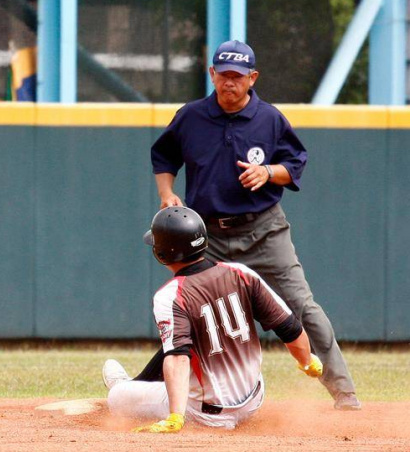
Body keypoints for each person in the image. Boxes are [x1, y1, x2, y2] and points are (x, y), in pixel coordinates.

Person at [149, 40, 359, 410]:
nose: (229, 82)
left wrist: (268, 172)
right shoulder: (191, 117)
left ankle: (345, 394)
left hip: (263, 231)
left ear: (252, 77)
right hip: (208, 237)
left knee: (302, 306)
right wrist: (167, 193)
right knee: (186, 311)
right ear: (212, 74)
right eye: (223, 74)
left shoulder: (269, 119)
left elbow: (295, 163)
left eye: (237, 75)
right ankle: (146, 391)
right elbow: (163, 155)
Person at [103, 206, 323, 432]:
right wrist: (307, 361)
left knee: (118, 396)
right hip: (253, 401)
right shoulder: (240, 273)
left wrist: (176, 416)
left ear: (162, 253)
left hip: (204, 413)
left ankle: (124, 387)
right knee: (180, 343)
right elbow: (290, 328)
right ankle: (140, 382)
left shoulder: (170, 295)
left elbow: (178, 358)